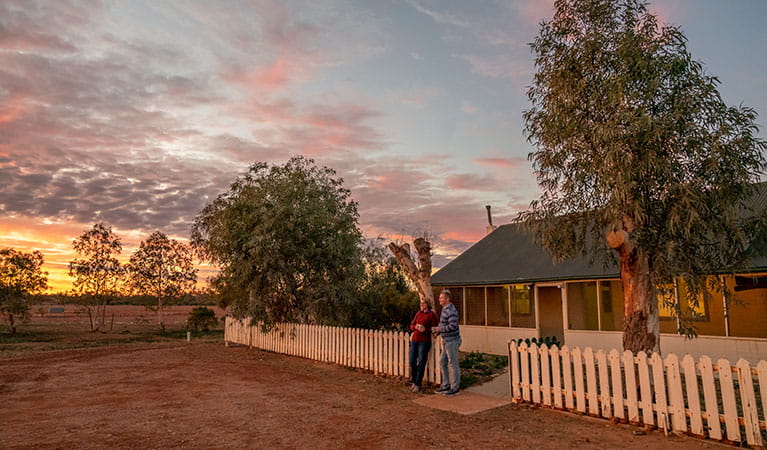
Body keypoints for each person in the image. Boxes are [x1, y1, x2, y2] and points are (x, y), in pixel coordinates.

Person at [433, 289, 461, 396]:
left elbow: (453, 326)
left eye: (441, 298)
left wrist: (440, 329)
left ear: (447, 299)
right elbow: (444, 325)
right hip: (446, 340)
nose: (439, 300)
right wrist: (438, 332)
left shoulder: (451, 310)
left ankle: (455, 388)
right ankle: (446, 385)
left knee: (453, 363)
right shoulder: (445, 309)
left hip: (452, 340)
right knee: (442, 361)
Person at [408, 299, 439, 393]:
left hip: (424, 341)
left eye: (423, 303)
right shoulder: (418, 313)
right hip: (415, 340)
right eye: (421, 303)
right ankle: (414, 380)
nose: (421, 304)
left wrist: (425, 329)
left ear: (427, 304)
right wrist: (415, 327)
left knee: (421, 361)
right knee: (412, 361)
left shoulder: (431, 315)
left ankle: (418, 383)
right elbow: (411, 325)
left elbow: (435, 328)